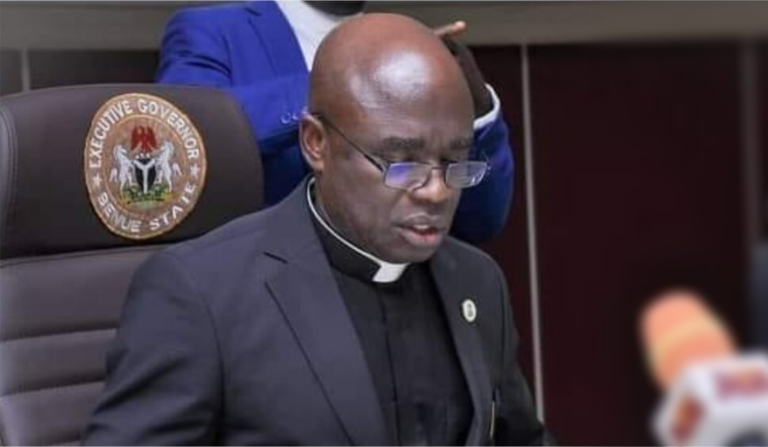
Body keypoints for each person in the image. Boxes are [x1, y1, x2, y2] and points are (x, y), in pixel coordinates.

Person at [83, 14, 550, 446]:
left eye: (454, 162)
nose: (435, 191)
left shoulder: (477, 281)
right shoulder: (202, 293)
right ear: (316, 144)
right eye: (402, 164)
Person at [156, 0, 514, 244]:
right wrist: (346, 78)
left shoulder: (407, 50)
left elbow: (482, 221)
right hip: (260, 295)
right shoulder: (211, 30)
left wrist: (480, 109)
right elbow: (190, 138)